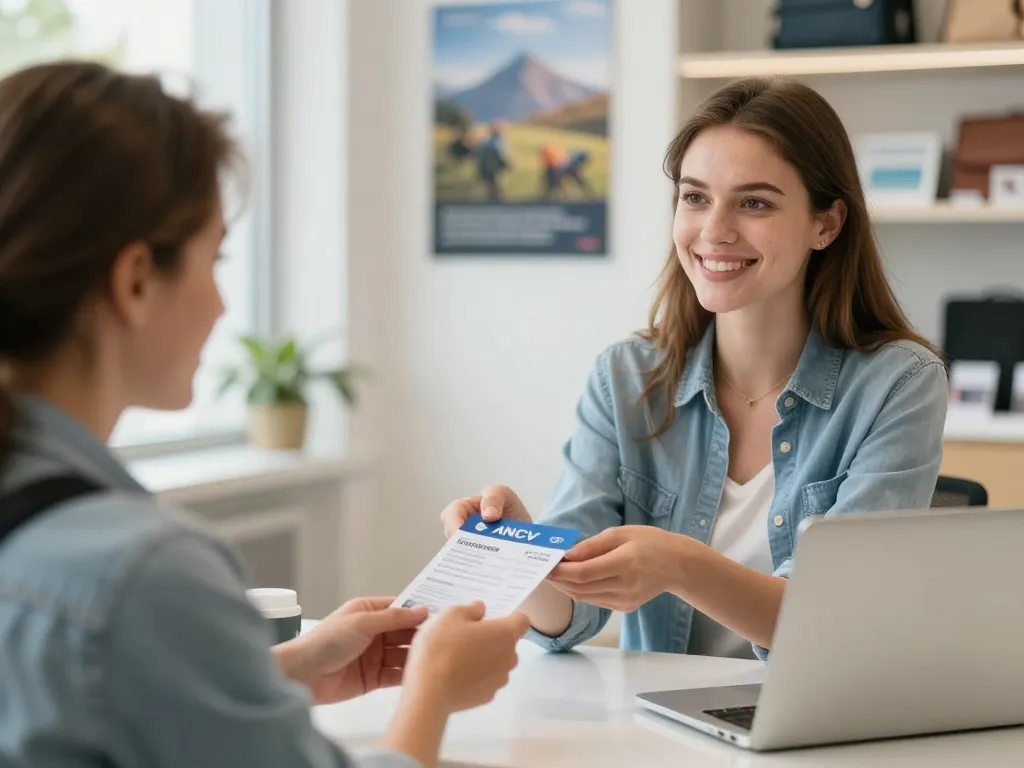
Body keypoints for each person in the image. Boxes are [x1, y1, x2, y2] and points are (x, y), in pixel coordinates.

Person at [0, 61, 530, 768]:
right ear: (133, 281)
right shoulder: (139, 574)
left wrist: (284, 669)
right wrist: (433, 690)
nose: (222, 304)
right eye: (213, 259)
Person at [441, 76, 949, 661]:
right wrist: (519, 551)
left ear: (826, 224)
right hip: (661, 733)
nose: (714, 231)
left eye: (754, 202)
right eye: (695, 197)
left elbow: (836, 626)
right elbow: (568, 623)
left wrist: (680, 566)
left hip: (813, 731)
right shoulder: (625, 378)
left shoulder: (899, 385)